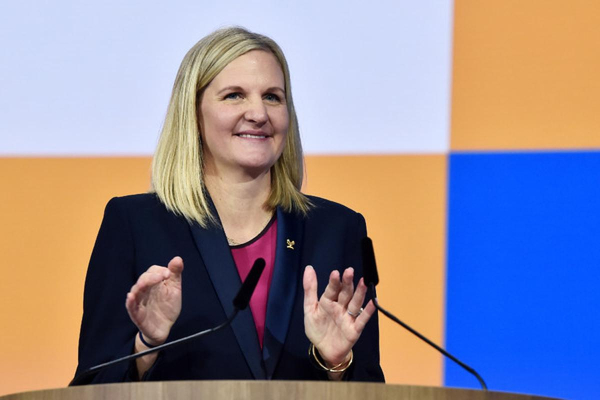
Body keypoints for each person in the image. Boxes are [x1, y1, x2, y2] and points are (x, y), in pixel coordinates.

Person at [75, 27, 384, 383]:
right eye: (234, 95)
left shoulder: (336, 229)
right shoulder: (135, 225)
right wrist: (147, 346)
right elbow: (91, 385)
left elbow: (370, 384)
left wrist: (337, 363)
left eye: (272, 97)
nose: (258, 113)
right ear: (194, 113)